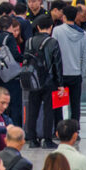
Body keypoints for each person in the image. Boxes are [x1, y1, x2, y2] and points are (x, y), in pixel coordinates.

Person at [23, 16, 64, 149]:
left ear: (38, 27)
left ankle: (32, 139)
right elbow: (57, 64)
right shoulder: (53, 42)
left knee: (32, 111)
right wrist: (60, 84)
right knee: (49, 111)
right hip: (48, 81)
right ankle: (47, 140)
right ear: (51, 27)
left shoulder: (29, 41)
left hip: (32, 80)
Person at [51, 6, 86, 123]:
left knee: (59, 105)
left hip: (60, 74)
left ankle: (58, 129)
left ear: (64, 16)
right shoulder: (83, 34)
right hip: (76, 74)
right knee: (75, 105)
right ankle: (75, 130)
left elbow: (53, 52)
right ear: (76, 16)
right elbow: (85, 56)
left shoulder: (57, 30)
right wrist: (82, 73)